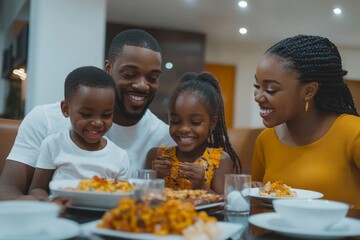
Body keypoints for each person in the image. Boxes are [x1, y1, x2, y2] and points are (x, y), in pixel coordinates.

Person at [0, 29, 174, 200]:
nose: (142, 86)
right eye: (129, 74)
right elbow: (7, 190)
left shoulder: (164, 137)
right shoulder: (45, 119)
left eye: (152, 78)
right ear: (108, 69)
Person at [251, 34, 360, 208]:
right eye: (257, 86)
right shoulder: (266, 139)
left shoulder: (354, 132)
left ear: (309, 90)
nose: (258, 97)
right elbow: (257, 202)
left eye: (271, 89)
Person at [28, 66, 131, 200]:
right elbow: (37, 188)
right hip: (61, 214)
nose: (97, 123)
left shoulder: (120, 156)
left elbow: (124, 196)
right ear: (66, 109)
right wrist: (47, 203)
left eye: (106, 115)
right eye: (87, 114)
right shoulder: (54, 145)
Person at [145, 72, 240, 194]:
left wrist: (201, 185)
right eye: (175, 121)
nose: (184, 129)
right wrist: (156, 177)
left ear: (212, 123)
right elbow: (144, 199)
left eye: (195, 122)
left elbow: (226, 206)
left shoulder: (220, 161)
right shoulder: (156, 156)